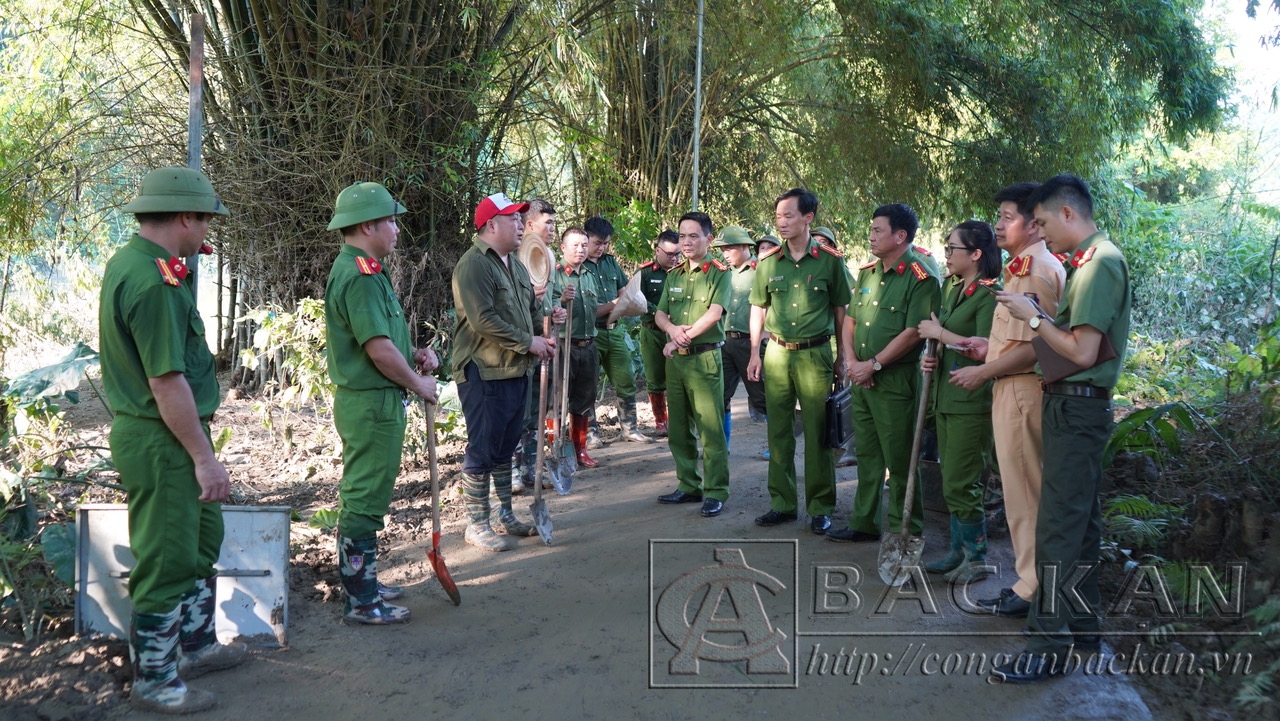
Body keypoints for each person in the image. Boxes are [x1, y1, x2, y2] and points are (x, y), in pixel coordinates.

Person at [99, 167, 245, 713]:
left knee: (199, 542)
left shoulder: (144, 264)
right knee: (165, 557)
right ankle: (155, 680)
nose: (209, 228)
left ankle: (195, 646)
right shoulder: (151, 282)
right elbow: (166, 381)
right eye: (206, 218)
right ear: (185, 217)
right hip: (163, 439)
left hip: (175, 434)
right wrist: (204, 460)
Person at [992, 174, 1131, 682]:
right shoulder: (1088, 264)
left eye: (1044, 222)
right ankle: (1084, 623)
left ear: (1067, 214)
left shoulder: (1099, 265)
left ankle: (1047, 645)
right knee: (1082, 524)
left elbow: (1081, 351)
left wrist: (1031, 317)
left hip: (1077, 408)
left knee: (1055, 528)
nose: (1041, 232)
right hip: (1071, 406)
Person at [323, 182, 439, 625]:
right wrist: (418, 383)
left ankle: (363, 580)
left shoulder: (368, 269)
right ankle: (362, 600)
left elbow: (384, 341)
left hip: (377, 398)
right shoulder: (357, 275)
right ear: (367, 225)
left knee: (368, 495)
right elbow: (376, 349)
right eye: (390, 220)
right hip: (371, 403)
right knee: (364, 500)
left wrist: (415, 355)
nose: (396, 229)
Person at [949, 183, 1066, 619]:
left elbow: (1040, 345)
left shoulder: (1036, 269)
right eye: (997, 215)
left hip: (1021, 390)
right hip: (1009, 385)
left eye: (1006, 216)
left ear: (1034, 222)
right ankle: (1026, 582)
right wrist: (987, 349)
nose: (997, 223)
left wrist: (984, 370)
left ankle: (1033, 589)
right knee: (1019, 494)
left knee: (1026, 495)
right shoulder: (1021, 268)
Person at [452, 193, 562, 552]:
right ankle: (476, 523)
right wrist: (528, 342)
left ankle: (504, 515)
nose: (520, 225)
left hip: (515, 369)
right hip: (484, 371)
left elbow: (529, 308)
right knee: (483, 447)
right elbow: (483, 320)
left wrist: (542, 336)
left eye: (520, 218)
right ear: (490, 225)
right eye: (513, 218)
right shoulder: (474, 265)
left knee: (505, 447)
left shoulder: (514, 264)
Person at [829, 203, 941, 543]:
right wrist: (850, 360)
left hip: (894, 382)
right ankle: (864, 523)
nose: (871, 236)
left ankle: (906, 529)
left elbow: (914, 331)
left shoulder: (921, 277)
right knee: (867, 453)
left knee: (901, 459)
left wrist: (873, 364)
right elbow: (850, 319)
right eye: (872, 229)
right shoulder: (867, 272)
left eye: (878, 230)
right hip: (862, 379)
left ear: (900, 236)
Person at [747, 188, 853, 534]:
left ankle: (821, 507)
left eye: (788, 215)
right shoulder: (767, 263)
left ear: (808, 218)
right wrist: (753, 353)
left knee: (818, 433)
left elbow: (841, 312)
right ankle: (782, 503)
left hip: (815, 354)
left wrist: (842, 357)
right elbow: (758, 309)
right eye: (778, 216)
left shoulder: (830, 260)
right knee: (778, 433)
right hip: (776, 353)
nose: (781, 222)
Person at [915, 220, 1001, 583]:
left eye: (953, 249)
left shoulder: (988, 294)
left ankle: (977, 558)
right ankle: (957, 551)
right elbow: (951, 343)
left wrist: (939, 333)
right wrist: (932, 352)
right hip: (946, 396)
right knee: (951, 479)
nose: (947, 255)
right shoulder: (954, 288)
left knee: (964, 482)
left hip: (971, 400)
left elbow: (985, 348)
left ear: (976, 254)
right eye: (947, 248)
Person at [655, 212, 731, 517]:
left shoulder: (719, 272)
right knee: (678, 428)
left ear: (708, 239)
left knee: (710, 429)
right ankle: (688, 485)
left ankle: (716, 491)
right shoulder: (674, 274)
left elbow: (714, 314)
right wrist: (671, 332)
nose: (686, 242)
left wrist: (679, 339)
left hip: (704, 359)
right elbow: (661, 314)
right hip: (677, 363)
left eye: (693, 236)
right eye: (682, 236)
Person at [584, 216, 651, 444]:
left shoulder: (610, 263)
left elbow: (625, 292)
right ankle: (591, 435)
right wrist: (615, 304)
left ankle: (630, 428)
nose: (601, 248)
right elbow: (588, 310)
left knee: (626, 379)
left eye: (605, 243)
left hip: (614, 330)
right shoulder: (576, 267)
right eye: (597, 242)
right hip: (589, 334)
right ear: (586, 237)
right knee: (587, 386)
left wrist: (625, 304)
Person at [512, 199, 560, 492]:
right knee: (519, 409)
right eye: (549, 223)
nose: (553, 228)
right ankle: (513, 471)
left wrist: (555, 310)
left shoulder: (548, 257)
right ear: (530, 225)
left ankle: (531, 466)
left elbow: (547, 299)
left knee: (535, 410)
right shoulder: (517, 259)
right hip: (521, 344)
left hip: (544, 340)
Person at [550, 227, 603, 468]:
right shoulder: (554, 273)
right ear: (563, 248)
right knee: (558, 399)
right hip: (563, 344)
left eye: (584, 245)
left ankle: (580, 450)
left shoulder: (590, 274)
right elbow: (540, 305)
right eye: (575, 245)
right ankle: (557, 452)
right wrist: (560, 300)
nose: (580, 250)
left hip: (588, 344)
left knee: (584, 398)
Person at [714, 226, 767, 452]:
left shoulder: (762, 270)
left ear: (746, 247)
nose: (725, 254)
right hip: (727, 341)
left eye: (730, 248)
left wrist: (768, 333)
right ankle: (721, 444)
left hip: (752, 342)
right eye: (723, 249)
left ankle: (777, 444)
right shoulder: (725, 273)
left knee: (763, 396)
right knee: (720, 394)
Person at [638, 230, 681, 436]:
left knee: (676, 377)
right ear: (657, 250)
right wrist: (660, 314)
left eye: (677, 254)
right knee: (655, 377)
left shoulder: (683, 271)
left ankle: (678, 420)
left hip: (677, 333)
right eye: (670, 254)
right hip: (652, 332)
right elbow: (637, 301)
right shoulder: (645, 273)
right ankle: (660, 421)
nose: (674, 258)